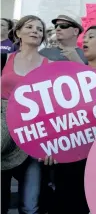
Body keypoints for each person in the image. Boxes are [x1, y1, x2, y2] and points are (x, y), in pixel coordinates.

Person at [1, 15, 50, 214]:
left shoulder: (49, 65)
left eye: (39, 29)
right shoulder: (4, 58)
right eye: (29, 27)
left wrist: (51, 145)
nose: (35, 31)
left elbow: (53, 108)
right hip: (3, 133)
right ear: (18, 32)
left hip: (33, 134)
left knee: (30, 206)